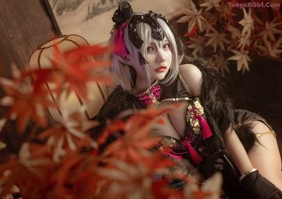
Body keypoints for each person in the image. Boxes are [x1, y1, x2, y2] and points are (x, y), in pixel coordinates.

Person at [93, 2, 282, 198]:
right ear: (125, 58)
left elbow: (225, 126)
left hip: (239, 135)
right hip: (191, 182)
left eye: (166, 46)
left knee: (271, 191)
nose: (162, 57)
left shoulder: (188, 75)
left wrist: (250, 176)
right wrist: (201, 176)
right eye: (150, 49)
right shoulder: (124, 115)